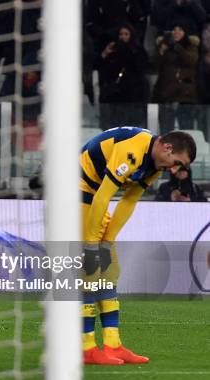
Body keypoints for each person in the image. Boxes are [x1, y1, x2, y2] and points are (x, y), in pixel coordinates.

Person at [81, 127, 196, 365]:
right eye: (177, 163)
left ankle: (113, 344)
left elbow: (129, 200)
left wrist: (108, 241)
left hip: (94, 194)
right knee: (90, 272)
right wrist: (92, 245)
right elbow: (104, 195)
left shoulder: (155, 166)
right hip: (79, 191)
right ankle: (86, 347)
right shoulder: (132, 150)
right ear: (167, 148)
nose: (175, 170)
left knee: (110, 270)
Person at [96, 23, 149, 129]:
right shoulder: (112, 51)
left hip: (132, 96)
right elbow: (100, 66)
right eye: (121, 34)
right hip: (113, 95)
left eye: (126, 34)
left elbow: (140, 69)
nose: (123, 37)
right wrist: (105, 53)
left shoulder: (137, 51)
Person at [152, 22, 200, 134]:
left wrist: (177, 47)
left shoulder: (190, 46)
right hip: (166, 94)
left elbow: (191, 60)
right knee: (166, 130)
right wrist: (161, 52)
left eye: (180, 30)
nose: (176, 32)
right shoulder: (164, 46)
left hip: (185, 95)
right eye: (174, 29)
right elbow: (155, 65)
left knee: (187, 129)